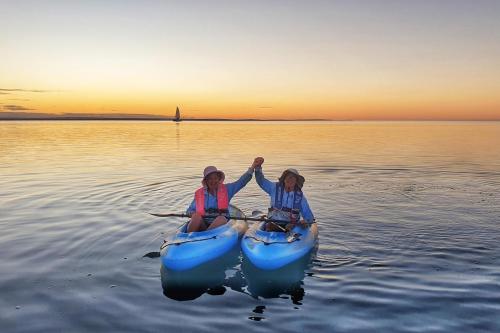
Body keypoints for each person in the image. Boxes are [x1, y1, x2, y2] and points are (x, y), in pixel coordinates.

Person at [186, 161, 259, 232]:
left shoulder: (227, 189)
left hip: (221, 225)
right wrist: (193, 214)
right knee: (196, 217)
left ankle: (206, 236)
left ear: (219, 179)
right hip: (203, 225)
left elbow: (241, 182)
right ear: (206, 181)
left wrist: (252, 167)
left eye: (215, 178)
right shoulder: (200, 194)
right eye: (210, 179)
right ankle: (187, 238)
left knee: (221, 218)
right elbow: (189, 211)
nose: (213, 181)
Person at [253, 157, 315, 232]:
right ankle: (270, 229)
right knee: (270, 226)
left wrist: (306, 221)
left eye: (293, 178)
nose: (290, 180)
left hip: (291, 225)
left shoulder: (300, 197)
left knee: (290, 227)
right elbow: (261, 181)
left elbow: (308, 215)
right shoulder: (274, 188)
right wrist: (258, 167)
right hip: (273, 222)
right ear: (283, 179)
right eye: (288, 177)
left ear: (296, 181)